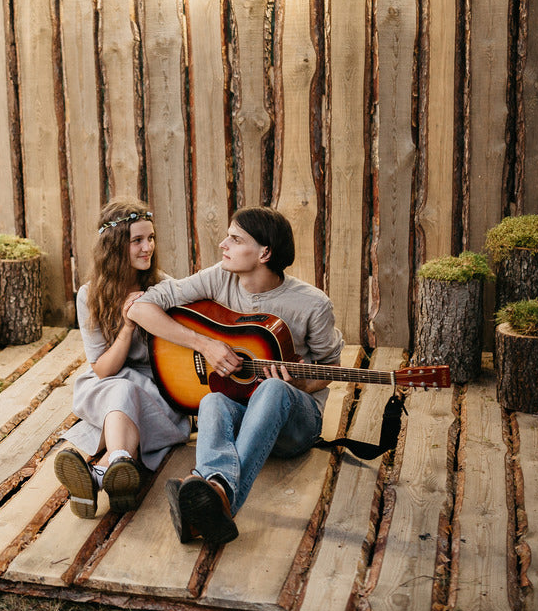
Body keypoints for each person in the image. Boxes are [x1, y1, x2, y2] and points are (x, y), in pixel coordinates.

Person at [127, 206, 344, 544]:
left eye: (235, 239)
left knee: (272, 389)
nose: (222, 244)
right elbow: (140, 307)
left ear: (264, 253)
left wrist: (296, 383)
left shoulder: (313, 304)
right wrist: (204, 344)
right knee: (212, 400)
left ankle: (220, 496)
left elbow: (332, 367)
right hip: (242, 411)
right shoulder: (220, 276)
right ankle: (213, 497)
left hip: (296, 425)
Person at [55, 198, 192, 518]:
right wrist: (129, 326)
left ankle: (101, 473)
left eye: (151, 238)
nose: (148, 247)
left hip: (159, 391)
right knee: (121, 388)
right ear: (115, 247)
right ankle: (117, 470)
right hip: (106, 384)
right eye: (138, 240)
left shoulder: (164, 287)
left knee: (129, 391)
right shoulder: (90, 296)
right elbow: (103, 369)